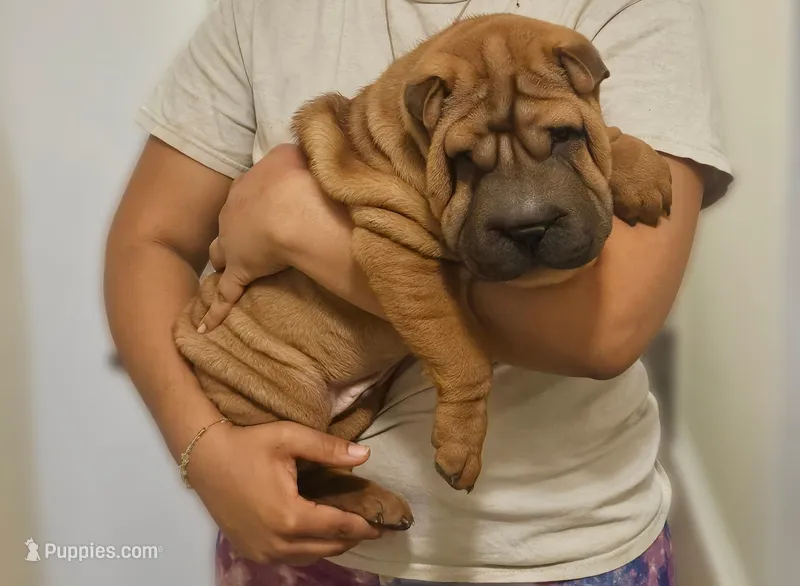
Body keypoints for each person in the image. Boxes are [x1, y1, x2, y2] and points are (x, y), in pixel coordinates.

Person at [103, 1, 732, 584]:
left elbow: (605, 335)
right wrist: (203, 449)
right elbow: (149, 241)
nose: (526, 210)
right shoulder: (262, 15)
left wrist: (290, 220)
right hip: (290, 505)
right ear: (423, 117)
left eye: (562, 138)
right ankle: (324, 480)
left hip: (560, 550)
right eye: (468, 159)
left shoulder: (622, 12)